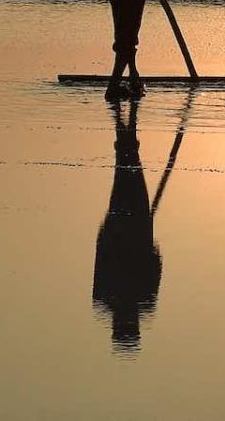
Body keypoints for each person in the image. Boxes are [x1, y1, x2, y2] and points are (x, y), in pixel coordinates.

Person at [92, 97, 162, 351]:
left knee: (126, 173)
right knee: (129, 172)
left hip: (126, 229)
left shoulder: (105, 298)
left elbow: (102, 258)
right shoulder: (142, 299)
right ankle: (126, 125)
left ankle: (125, 125)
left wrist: (106, 233)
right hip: (133, 231)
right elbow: (155, 264)